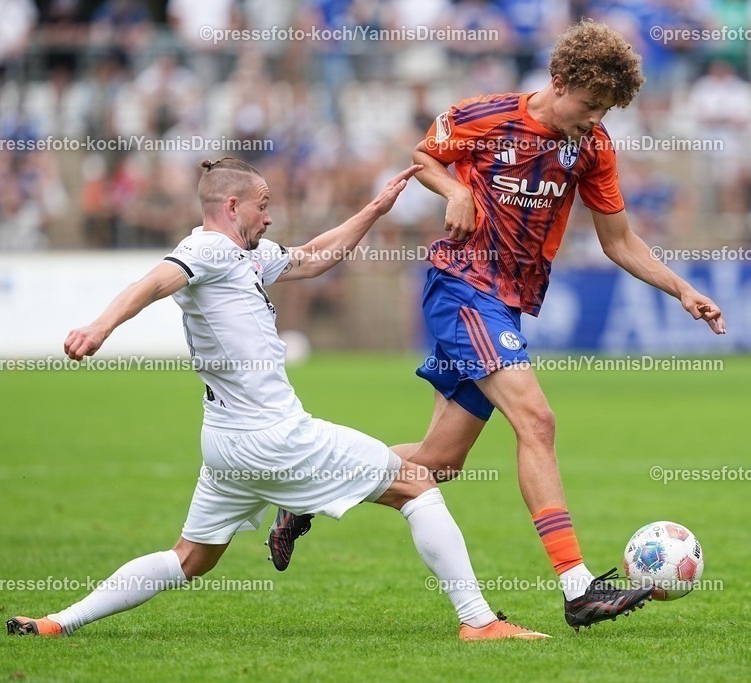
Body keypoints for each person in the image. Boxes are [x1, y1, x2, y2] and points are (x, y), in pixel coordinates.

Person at [269, 20, 726, 632]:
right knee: (536, 419)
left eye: (606, 110)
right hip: (462, 286)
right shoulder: (485, 116)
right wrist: (454, 190)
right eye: (589, 106)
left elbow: (618, 239)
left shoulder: (592, 147)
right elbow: (424, 156)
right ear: (560, 82)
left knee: (438, 462)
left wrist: (683, 289)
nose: (595, 119)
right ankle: (577, 586)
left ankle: (302, 494)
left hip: (504, 305)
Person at [6, 157, 547, 642]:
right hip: (272, 436)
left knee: (190, 559)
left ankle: (59, 622)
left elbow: (312, 258)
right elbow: (153, 282)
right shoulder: (208, 248)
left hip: (225, 444)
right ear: (233, 205)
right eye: (263, 207)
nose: (269, 218)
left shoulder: (247, 256)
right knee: (418, 484)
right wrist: (99, 328)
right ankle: (479, 620)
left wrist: (374, 210)